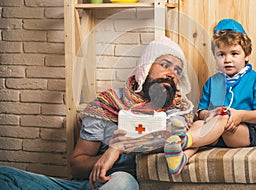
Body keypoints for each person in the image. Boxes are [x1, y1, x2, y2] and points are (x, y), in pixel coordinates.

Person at [0, 36, 195, 189]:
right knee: (5, 176)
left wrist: (118, 147)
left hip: (122, 184)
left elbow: (170, 136)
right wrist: (103, 160)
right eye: (165, 64)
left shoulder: (178, 110)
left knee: (123, 182)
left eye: (177, 70)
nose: (172, 74)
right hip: (88, 184)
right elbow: (77, 165)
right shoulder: (107, 104)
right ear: (145, 67)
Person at [164, 18, 256, 175]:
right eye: (221, 54)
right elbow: (201, 111)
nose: (227, 59)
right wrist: (209, 114)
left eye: (234, 53)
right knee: (198, 124)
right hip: (215, 132)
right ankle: (182, 157)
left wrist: (240, 115)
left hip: (244, 133)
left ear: (247, 55)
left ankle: (184, 139)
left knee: (222, 118)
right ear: (215, 56)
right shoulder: (212, 82)